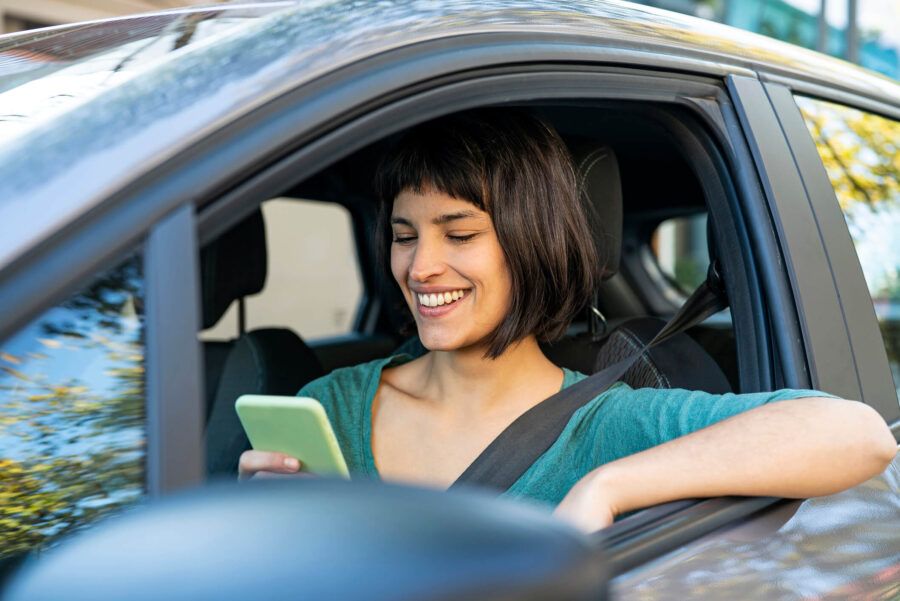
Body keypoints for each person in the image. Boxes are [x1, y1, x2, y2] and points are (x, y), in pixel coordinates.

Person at [238, 109, 896, 532]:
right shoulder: (328, 404)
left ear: (531, 244)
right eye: (405, 235)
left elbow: (857, 433)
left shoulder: (606, 425)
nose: (420, 266)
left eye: (459, 233)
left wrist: (606, 485)